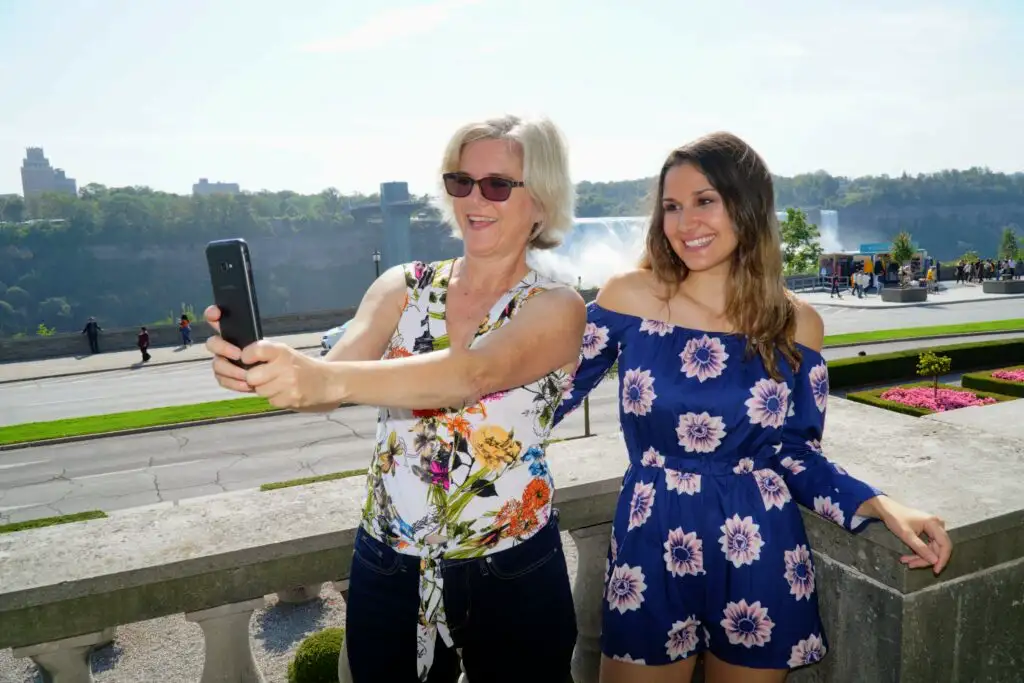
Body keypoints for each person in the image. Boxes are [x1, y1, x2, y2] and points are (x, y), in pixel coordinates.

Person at [553, 132, 953, 683]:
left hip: (759, 548)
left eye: (705, 200)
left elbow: (795, 453)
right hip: (649, 541)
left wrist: (879, 505)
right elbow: (544, 397)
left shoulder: (798, 325)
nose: (685, 222)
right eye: (672, 206)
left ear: (748, 206)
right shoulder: (629, 297)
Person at [204, 115, 586, 683]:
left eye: (498, 184)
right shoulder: (402, 287)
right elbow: (329, 381)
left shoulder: (556, 306)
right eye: (461, 181)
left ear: (542, 201)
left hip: (511, 566)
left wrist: (325, 381)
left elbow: (471, 373)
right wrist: (271, 371)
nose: (474, 199)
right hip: (390, 564)